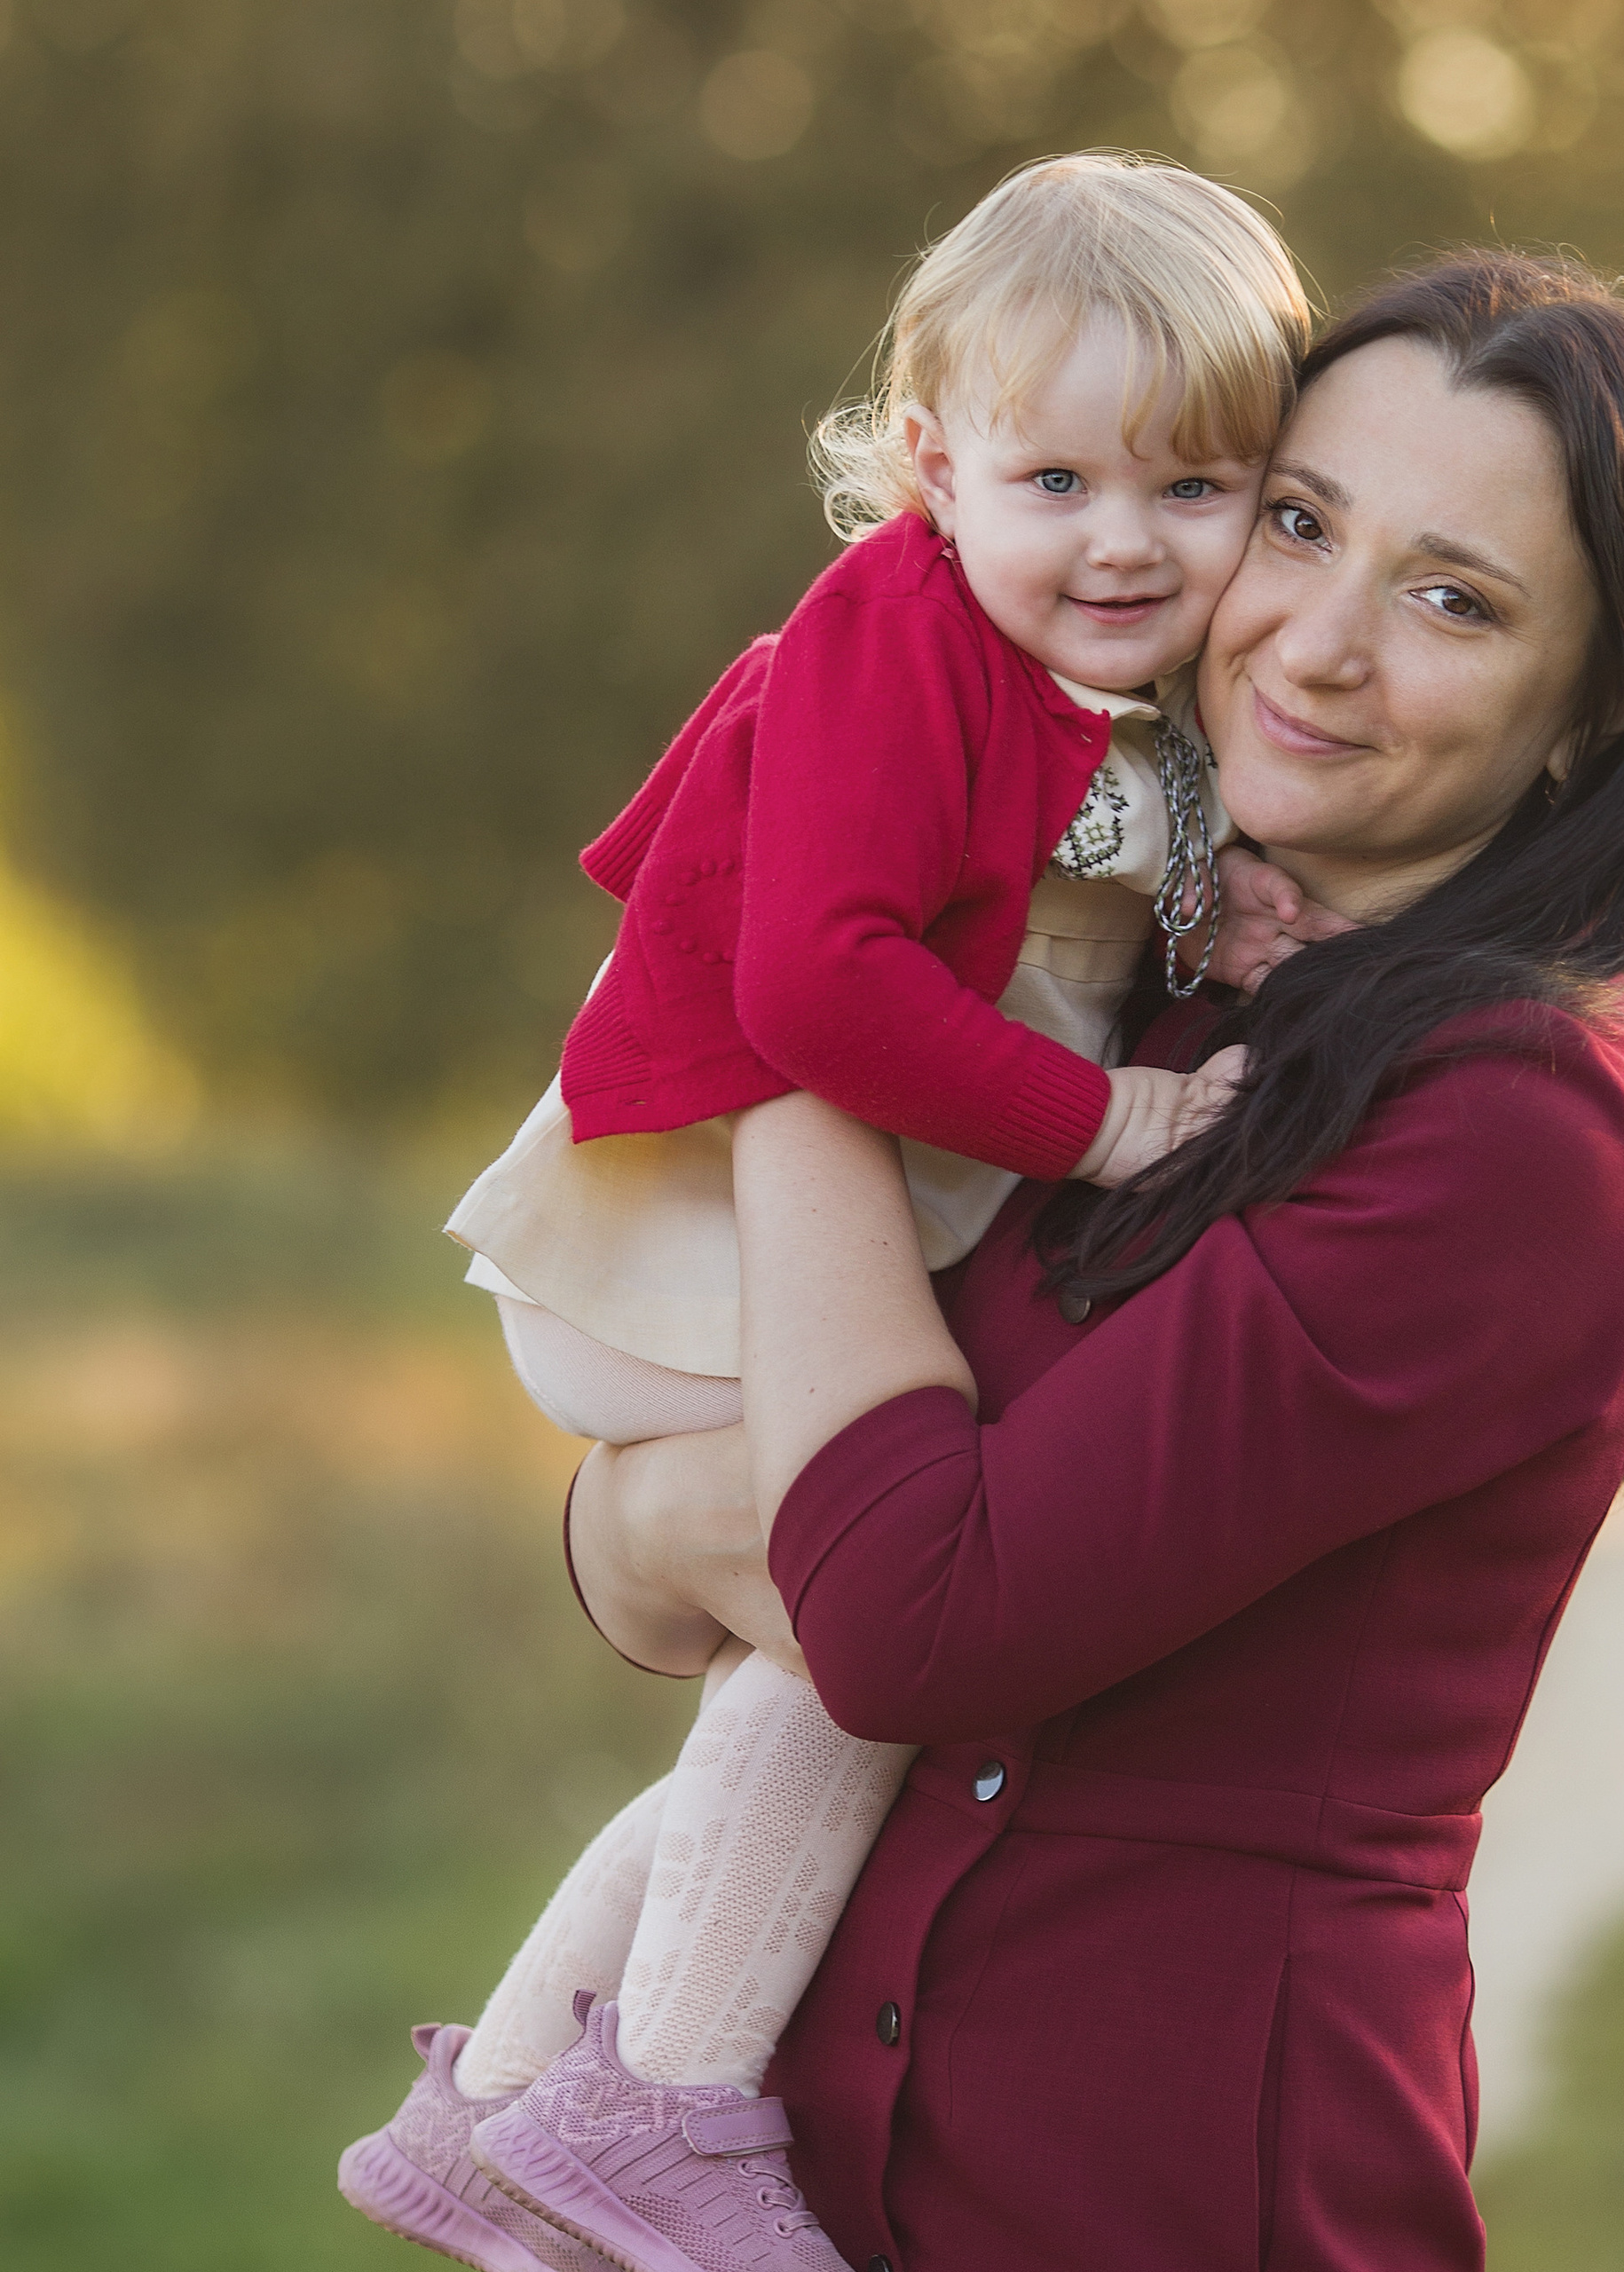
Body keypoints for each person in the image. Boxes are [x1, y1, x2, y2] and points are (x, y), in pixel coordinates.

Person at [539, 248, 1624, 2271]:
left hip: (1158, 2190)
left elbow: (905, 1622)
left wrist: (796, 1022)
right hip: (839, 2174)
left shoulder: (1518, 1121)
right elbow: (661, 1566)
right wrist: (670, 1517)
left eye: (1450, 598)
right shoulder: (1136, 980)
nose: (1315, 641)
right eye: (1295, 520)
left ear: (1592, 711)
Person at [340, 153, 1335, 2272]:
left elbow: (1092, 882)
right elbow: (818, 984)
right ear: (928, 463)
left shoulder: (1093, 686)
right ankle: (670, 2107)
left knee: (821, 1630)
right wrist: (1106, 1125)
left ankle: (506, 2101)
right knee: (882, 1603)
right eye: (1056, 478)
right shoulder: (892, 628)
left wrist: (1219, 910)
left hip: (757, 1225)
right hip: (676, 1220)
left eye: (1197, 486)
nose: (1125, 541)